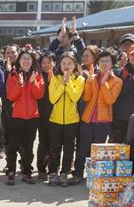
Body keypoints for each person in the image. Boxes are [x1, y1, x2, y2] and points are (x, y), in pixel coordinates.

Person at [72, 50, 123, 185]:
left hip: (103, 121)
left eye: (107, 61)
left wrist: (105, 83)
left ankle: (92, 177)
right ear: (98, 63)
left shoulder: (117, 81)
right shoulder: (93, 78)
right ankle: (77, 173)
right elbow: (86, 97)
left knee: (97, 152)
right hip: (87, 119)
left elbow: (110, 100)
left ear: (112, 63)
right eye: (102, 61)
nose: (104, 63)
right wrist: (88, 82)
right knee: (82, 147)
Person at [5, 49, 45, 185]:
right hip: (16, 116)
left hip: (32, 117)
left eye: (29, 59)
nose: (26, 61)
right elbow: (10, 96)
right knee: (13, 146)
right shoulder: (13, 75)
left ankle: (27, 172)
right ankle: (11, 171)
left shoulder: (37, 75)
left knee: (28, 147)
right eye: (23, 59)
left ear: (33, 61)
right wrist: (20, 84)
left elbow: (39, 95)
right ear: (19, 61)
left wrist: (34, 83)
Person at [48, 52, 85, 187]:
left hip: (72, 120)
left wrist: (68, 82)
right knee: (54, 148)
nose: (67, 66)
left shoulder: (80, 79)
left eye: (70, 63)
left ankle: (64, 173)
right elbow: (52, 98)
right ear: (59, 64)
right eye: (64, 63)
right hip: (55, 120)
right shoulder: (55, 78)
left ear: (75, 64)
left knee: (69, 148)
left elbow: (75, 97)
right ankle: (53, 172)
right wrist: (62, 84)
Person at [0, 44, 19, 160]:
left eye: (13, 52)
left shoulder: (23, 65)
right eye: (8, 52)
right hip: (5, 104)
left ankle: (22, 162)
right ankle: (9, 161)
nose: (10, 55)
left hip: (19, 104)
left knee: (18, 134)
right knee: (6, 132)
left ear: (18, 53)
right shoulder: (1, 67)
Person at [36, 53, 55, 181]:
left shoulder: (58, 77)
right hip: (42, 115)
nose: (46, 65)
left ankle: (53, 168)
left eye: (49, 62)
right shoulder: (37, 76)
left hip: (56, 114)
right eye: (43, 62)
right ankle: (41, 169)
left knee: (54, 143)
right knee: (43, 142)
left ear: (54, 63)